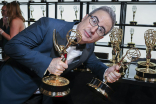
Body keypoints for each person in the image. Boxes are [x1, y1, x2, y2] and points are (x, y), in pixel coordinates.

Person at [0, 6, 121, 104]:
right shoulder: (48, 25)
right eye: (94, 20)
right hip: (11, 90)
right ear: (85, 17)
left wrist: (106, 71)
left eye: (101, 30)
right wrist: (48, 63)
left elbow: (94, 62)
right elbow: (12, 46)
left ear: (100, 38)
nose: (93, 29)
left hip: (42, 97)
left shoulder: (89, 46)